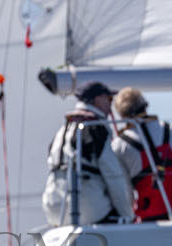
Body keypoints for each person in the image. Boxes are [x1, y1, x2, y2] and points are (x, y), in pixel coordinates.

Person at [43, 81, 135, 225]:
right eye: (109, 99)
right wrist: (128, 215)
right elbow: (113, 175)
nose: (111, 105)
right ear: (98, 99)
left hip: (54, 209)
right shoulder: (95, 128)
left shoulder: (62, 131)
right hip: (86, 210)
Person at [111, 87, 172, 221]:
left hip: (152, 215)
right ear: (145, 106)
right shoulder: (171, 130)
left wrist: (129, 218)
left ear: (121, 115)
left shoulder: (118, 145)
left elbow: (127, 190)